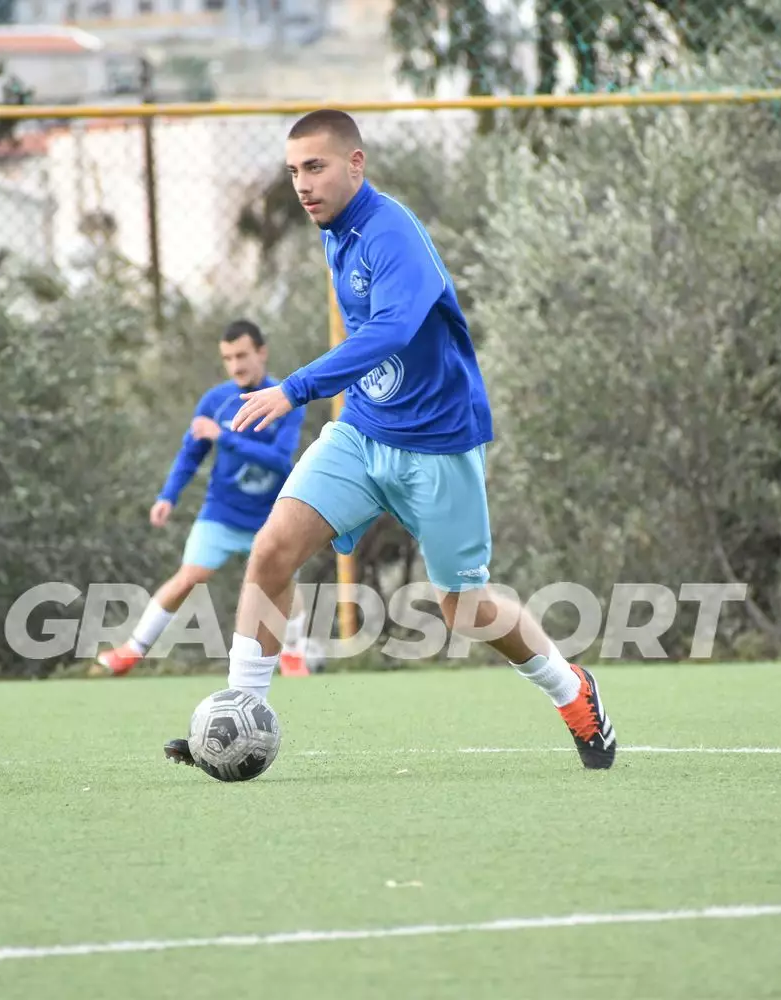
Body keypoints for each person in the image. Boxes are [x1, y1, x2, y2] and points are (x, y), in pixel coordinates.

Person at [164, 111, 616, 769]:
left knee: (464, 607)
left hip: (438, 443)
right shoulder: (335, 232)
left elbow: (392, 330)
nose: (302, 184)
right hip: (363, 431)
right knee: (271, 552)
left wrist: (294, 388)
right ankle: (239, 716)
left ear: (356, 164)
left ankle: (572, 692)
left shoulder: (391, 232)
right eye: (293, 171)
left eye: (315, 167)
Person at [92, 320, 312, 678]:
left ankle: (293, 657)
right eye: (228, 358)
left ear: (262, 352)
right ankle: (132, 650)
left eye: (242, 355)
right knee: (190, 576)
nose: (235, 365)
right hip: (222, 512)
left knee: (283, 578)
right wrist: (168, 496)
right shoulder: (215, 402)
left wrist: (223, 437)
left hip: (271, 514)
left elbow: (279, 460)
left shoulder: (284, 398)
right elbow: (190, 454)